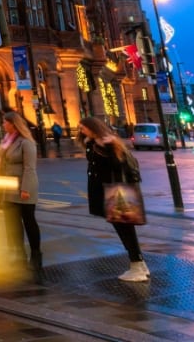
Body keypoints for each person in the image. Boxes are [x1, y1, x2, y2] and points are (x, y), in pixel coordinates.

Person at [77, 116, 149, 282]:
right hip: (108, 191)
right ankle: (139, 264)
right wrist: (90, 142)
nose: (81, 131)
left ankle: (137, 266)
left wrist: (106, 148)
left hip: (116, 192)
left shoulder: (109, 144)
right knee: (123, 228)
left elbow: (118, 166)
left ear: (93, 127)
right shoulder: (93, 143)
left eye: (83, 128)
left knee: (125, 229)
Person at [0, 110, 43, 283]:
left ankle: (36, 257)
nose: (2, 125)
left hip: (24, 187)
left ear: (13, 124)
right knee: (12, 224)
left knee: (29, 222)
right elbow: (1, 163)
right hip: (8, 188)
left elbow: (30, 168)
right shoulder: (5, 141)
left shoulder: (26, 142)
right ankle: (17, 254)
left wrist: (26, 189)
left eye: (5, 122)